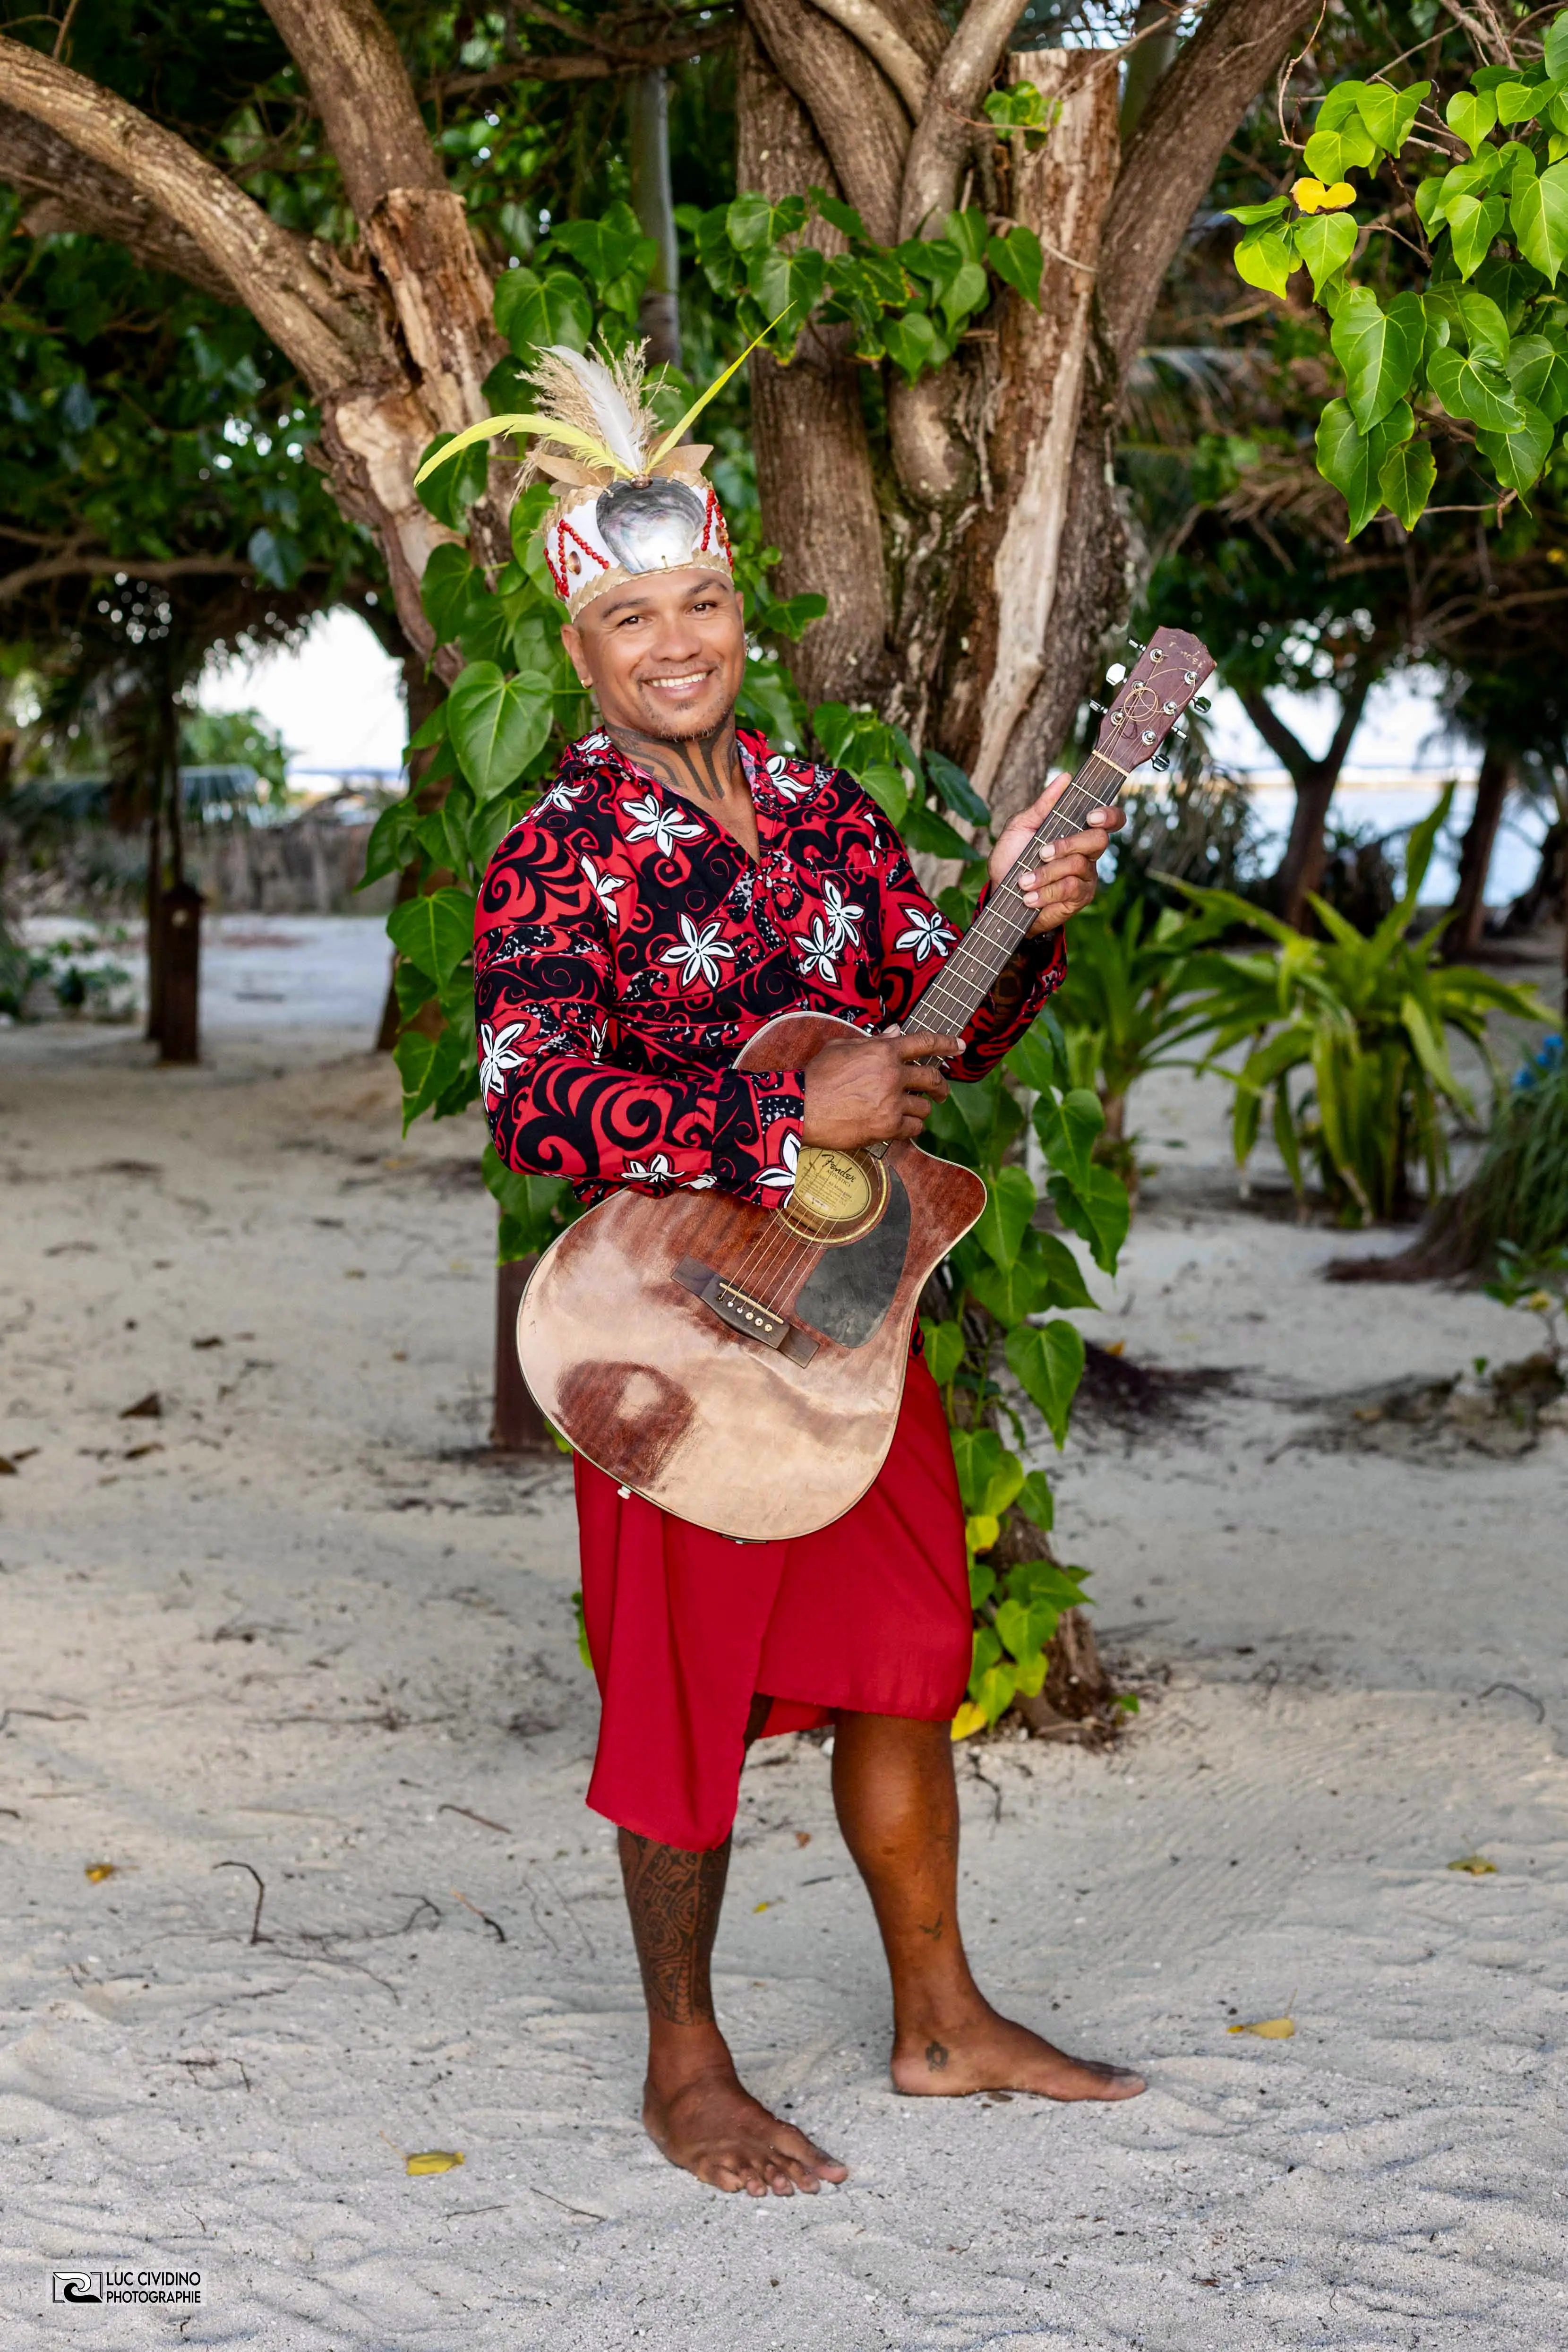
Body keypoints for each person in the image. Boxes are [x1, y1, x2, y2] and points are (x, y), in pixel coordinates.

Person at [465, 343, 1144, 2200]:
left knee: (911, 1655)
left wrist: (1017, 925)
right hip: (665, 1333)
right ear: (582, 644)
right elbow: (535, 1105)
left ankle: (939, 2019)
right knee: (678, 1695)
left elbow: (937, 1046)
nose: (671, 639)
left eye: (697, 599)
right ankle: (685, 2059)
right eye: (628, 614)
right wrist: (777, 1128)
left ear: (738, 602)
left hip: (850, 1315)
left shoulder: (834, 813)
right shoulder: (558, 845)